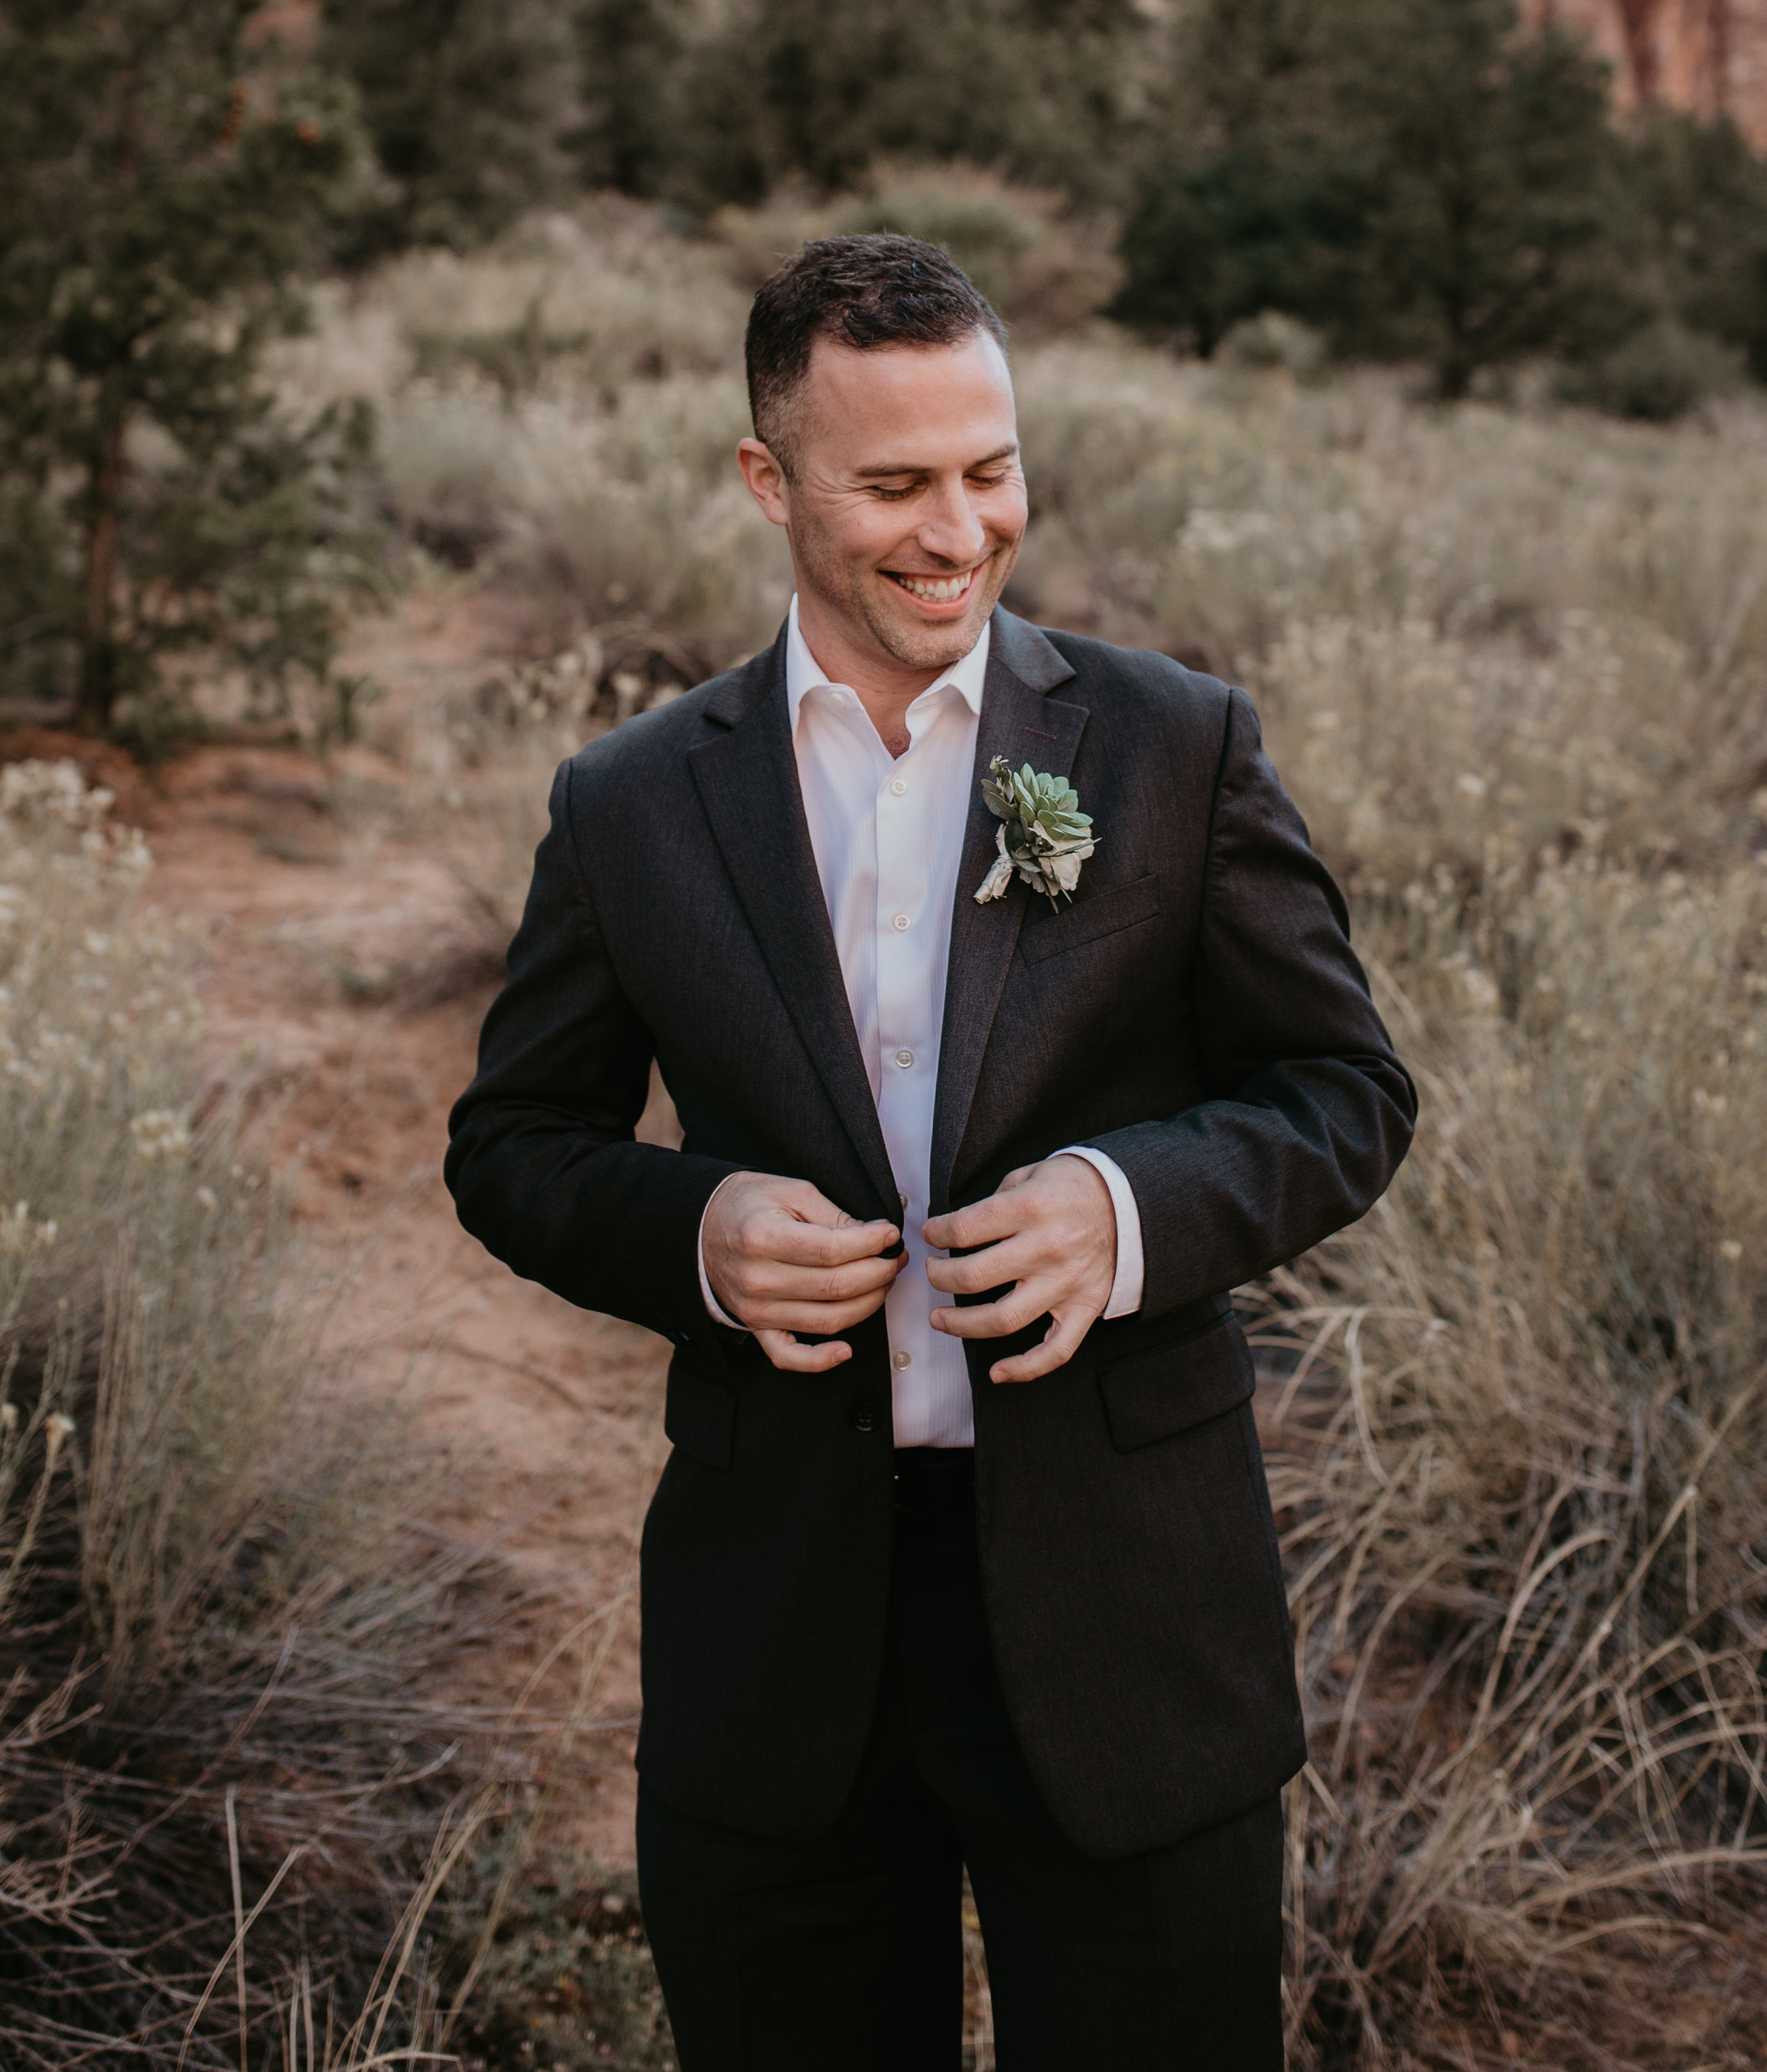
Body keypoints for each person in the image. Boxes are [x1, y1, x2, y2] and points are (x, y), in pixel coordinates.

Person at [445, 234, 1416, 2071]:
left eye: (990, 471)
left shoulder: (1173, 746)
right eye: (892, 483)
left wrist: (1126, 1209)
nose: (955, 530)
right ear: (767, 481)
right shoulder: (631, 800)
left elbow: (1342, 1090)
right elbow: (514, 1144)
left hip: (1129, 1623)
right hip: (775, 1634)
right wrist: (699, 1233)